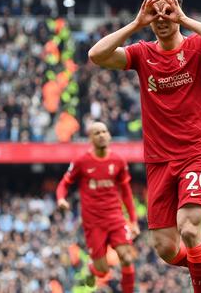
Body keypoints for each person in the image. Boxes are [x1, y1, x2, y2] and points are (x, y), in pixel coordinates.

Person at [88, 0, 201, 292]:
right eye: (155, 13)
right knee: (166, 248)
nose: (161, 18)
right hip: (158, 160)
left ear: (178, 13)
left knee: (190, 228)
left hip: (195, 152)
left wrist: (185, 19)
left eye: (167, 11)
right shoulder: (142, 54)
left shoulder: (197, 47)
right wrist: (135, 24)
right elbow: (96, 55)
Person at [56, 122, 139, 292]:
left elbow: (126, 192)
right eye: (97, 133)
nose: (101, 135)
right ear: (90, 138)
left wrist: (134, 221)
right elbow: (64, 183)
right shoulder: (81, 162)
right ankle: (93, 267)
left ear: (109, 135)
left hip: (115, 217)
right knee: (102, 271)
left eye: (104, 131)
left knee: (127, 257)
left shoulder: (118, 161)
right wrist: (61, 199)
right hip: (93, 222)